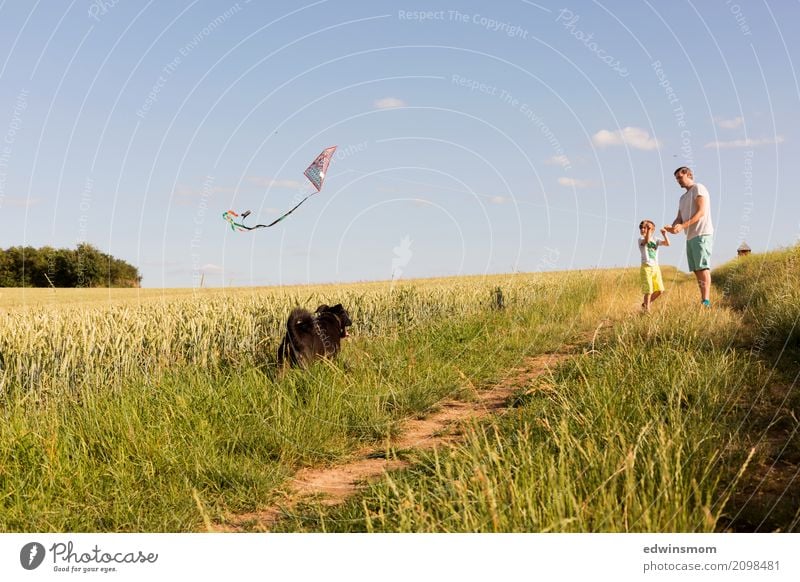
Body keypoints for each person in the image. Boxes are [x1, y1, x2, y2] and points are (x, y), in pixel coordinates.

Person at [664, 167, 714, 306]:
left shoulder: (698, 188)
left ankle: (706, 300)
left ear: (688, 174)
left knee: (703, 267)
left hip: (702, 233)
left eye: (680, 177)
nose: (678, 181)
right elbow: (679, 218)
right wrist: (673, 227)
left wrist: (683, 226)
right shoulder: (682, 198)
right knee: (696, 269)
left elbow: (701, 212)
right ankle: (703, 299)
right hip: (690, 236)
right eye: (676, 179)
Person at [638, 220, 670, 312]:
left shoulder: (656, 239)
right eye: (642, 228)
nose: (643, 229)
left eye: (646, 227)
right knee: (648, 291)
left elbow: (667, 244)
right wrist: (648, 229)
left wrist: (664, 234)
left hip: (655, 267)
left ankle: (645, 304)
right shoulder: (640, 239)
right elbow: (647, 241)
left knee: (660, 290)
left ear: (653, 229)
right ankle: (647, 310)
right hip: (646, 267)